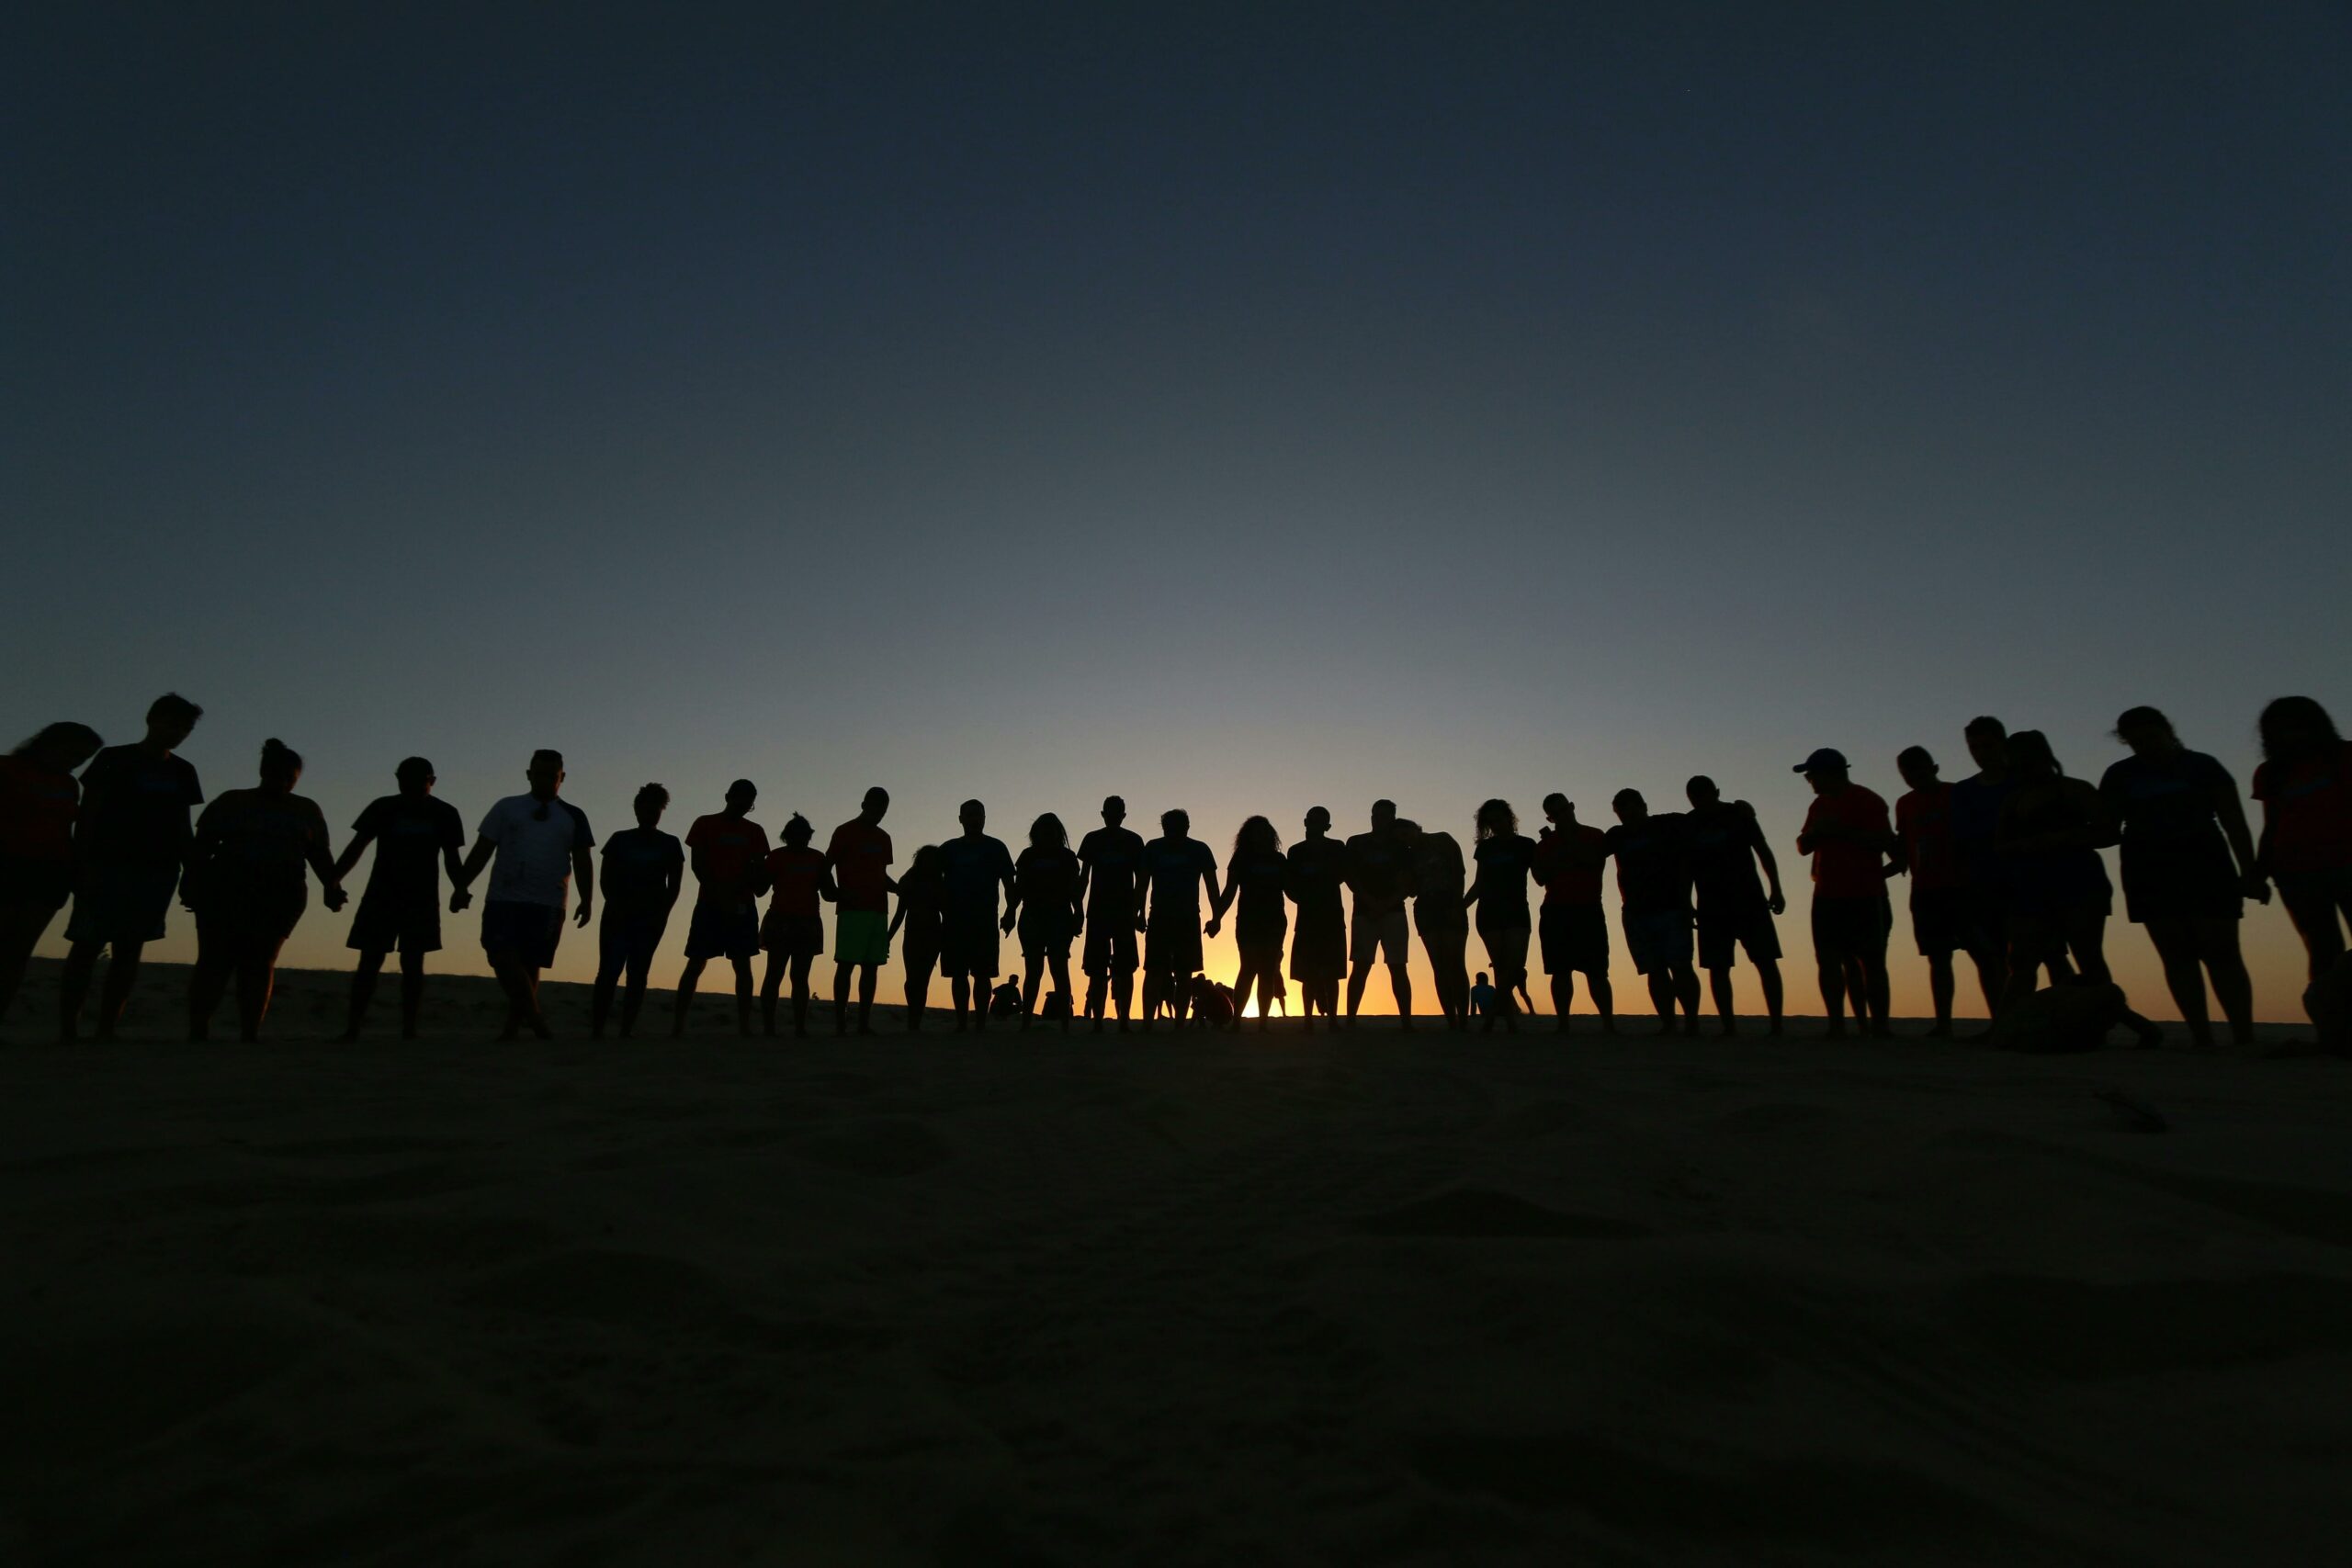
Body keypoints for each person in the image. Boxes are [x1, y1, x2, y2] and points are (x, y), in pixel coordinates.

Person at [2099, 708, 2264, 1051]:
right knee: (2176, 955)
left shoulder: (2203, 766)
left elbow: (2234, 821)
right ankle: (2202, 1037)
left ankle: (2243, 1036)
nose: (2145, 746)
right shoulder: (2119, 775)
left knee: (2222, 952)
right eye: (2136, 740)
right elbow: (2107, 828)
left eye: (2150, 737)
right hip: (2148, 867)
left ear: (2167, 730)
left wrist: (2250, 871)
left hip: (2205, 862)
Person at [59, 693, 203, 1041]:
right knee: (86, 945)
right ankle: (68, 1028)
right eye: (173, 723)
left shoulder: (183, 771)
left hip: (157, 870)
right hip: (106, 865)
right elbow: (88, 814)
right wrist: (81, 863)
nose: (178, 732)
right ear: (152, 719)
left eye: (185, 728)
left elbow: (183, 826)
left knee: (129, 950)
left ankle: (107, 1028)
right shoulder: (115, 758)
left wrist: (192, 872)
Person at [184, 739, 345, 1041]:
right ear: (262, 771)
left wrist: (332, 887)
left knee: (260, 962)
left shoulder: (306, 809)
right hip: (226, 888)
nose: (281, 782)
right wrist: (190, 882)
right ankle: (198, 1030)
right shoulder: (232, 801)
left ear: (296, 777)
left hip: (281, 892)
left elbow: (319, 854)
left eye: (289, 777)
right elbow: (202, 847)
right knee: (214, 959)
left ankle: (249, 1032)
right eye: (275, 774)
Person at [454, 749, 594, 1041]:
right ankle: (538, 1022)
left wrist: (587, 899)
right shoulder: (507, 808)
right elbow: (482, 850)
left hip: (548, 902)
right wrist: (462, 884)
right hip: (504, 898)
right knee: (501, 956)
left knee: (530, 965)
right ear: (529, 774)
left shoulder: (573, 816)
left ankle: (512, 1030)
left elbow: (582, 859)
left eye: (552, 776)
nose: (545, 780)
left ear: (562, 778)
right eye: (539, 774)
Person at [1994, 731, 2130, 1016]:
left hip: (2079, 882)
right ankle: (2007, 1025)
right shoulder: (2014, 800)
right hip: (2030, 886)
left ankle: (2099, 1021)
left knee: (2088, 957)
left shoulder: (2076, 790)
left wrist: (2060, 839)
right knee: (2022, 960)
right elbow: (2000, 846)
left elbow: (2108, 832)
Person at [332, 757, 466, 1041]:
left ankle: (409, 1029)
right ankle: (353, 1027)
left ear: (432, 781)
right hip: (382, 893)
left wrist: (460, 888)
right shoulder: (383, 807)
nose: (413, 787)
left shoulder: (444, 813)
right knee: (369, 960)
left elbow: (452, 858)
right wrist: (333, 879)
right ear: (398, 780)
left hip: (421, 897)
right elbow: (357, 846)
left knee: (413, 963)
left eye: (419, 781)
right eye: (406, 781)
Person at [1891, 747, 2000, 1036]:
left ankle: (2000, 1020)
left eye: (1919, 771)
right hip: (1926, 889)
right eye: (1907, 774)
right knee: (1938, 957)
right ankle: (1944, 1023)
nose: (1914, 778)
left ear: (1934, 768)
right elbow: (1904, 842)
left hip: (1964, 887)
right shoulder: (1905, 804)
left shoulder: (1958, 794)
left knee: (1984, 955)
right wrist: (1890, 866)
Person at [0, 722, 103, 1031]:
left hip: (49, 872)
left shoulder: (69, 785)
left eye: (82, 758)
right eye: (71, 752)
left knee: (18, 952)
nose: (73, 761)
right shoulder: (7, 769)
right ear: (48, 743)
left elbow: (67, 829)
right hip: (7, 865)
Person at [2252, 696, 2352, 1010]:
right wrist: (2258, 873)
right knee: (2322, 948)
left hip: (2348, 863)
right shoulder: (2271, 773)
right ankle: (2332, 1022)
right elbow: (2272, 826)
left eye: (2297, 727)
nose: (2291, 735)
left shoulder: (2346, 756)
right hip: (2296, 871)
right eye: (2280, 730)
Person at [1792, 748, 1896, 1038]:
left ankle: (1879, 1026)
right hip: (1826, 893)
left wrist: (1841, 831)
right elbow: (1803, 846)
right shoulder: (1819, 806)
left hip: (1865, 893)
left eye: (1812, 775)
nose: (1810, 781)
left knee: (1871, 961)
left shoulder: (1868, 801)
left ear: (1831, 774)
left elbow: (1882, 842)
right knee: (1828, 960)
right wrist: (1815, 835)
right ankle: (1837, 1024)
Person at [1683, 776, 1787, 1036]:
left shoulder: (1738, 815)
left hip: (1748, 899)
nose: (1700, 800)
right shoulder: (1689, 824)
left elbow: (1763, 850)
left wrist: (1775, 887)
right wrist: (1687, 901)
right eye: (1694, 796)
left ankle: (1777, 1025)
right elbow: (1685, 868)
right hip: (1711, 904)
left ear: (1716, 792)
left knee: (1765, 961)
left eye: (1703, 794)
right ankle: (1728, 1026)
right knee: (1718, 967)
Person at [673, 780, 770, 1037]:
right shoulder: (705, 824)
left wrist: (753, 880)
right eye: (739, 798)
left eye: (748, 801)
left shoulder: (755, 831)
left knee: (742, 965)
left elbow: (759, 872)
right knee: (696, 963)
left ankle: (744, 1027)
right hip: (710, 904)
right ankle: (678, 1025)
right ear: (727, 796)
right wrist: (720, 894)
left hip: (742, 906)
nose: (742, 804)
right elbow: (698, 866)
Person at [592, 784, 684, 1038]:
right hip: (617, 915)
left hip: (650, 918)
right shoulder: (619, 840)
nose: (650, 813)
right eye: (645, 807)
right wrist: (616, 905)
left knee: (638, 972)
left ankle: (625, 1030)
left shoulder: (670, 844)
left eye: (655, 808)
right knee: (609, 971)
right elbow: (605, 878)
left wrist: (662, 913)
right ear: (636, 809)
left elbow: (674, 885)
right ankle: (597, 1029)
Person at [1606, 789, 1700, 1033]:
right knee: (1654, 970)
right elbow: (1589, 850)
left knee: (1681, 966)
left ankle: (1691, 1021)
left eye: (1630, 808)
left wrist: (1738, 808)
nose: (1627, 815)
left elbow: (1701, 816)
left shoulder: (1667, 824)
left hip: (1671, 907)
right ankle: (1668, 1023)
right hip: (1636, 911)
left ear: (1643, 806)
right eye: (1621, 811)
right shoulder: (1617, 835)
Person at [1947, 716, 2017, 1003]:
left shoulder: (2022, 784)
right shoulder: (1964, 791)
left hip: (2027, 882)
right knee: (1988, 957)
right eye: (1974, 747)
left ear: (2003, 744)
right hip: (1980, 885)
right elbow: (1959, 841)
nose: (1981, 753)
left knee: (2045, 955)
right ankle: (2000, 1020)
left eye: (1987, 746)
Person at [1531, 795, 1613, 1034]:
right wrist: (1563, 854)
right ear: (1550, 817)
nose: (1562, 816)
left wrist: (1564, 850)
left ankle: (1608, 1024)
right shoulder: (1545, 844)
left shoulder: (1594, 835)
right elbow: (1540, 877)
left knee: (1597, 971)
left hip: (1588, 908)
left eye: (1563, 810)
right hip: (1556, 909)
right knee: (1559, 970)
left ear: (1572, 807)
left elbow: (1594, 862)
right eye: (1556, 814)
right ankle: (1563, 1024)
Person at [1136, 807, 1222, 1032]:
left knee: (1184, 973)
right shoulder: (1153, 848)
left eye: (1177, 827)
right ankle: (1147, 1023)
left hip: (1188, 918)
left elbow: (1212, 886)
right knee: (1154, 971)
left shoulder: (1199, 849)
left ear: (1186, 827)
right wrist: (1139, 913)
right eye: (1169, 828)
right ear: (1164, 828)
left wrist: (1217, 917)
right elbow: (1142, 884)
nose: (1173, 832)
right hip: (1160, 917)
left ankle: (1179, 1025)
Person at [938, 800, 1017, 1032]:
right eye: (970, 815)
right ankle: (962, 1023)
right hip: (954, 921)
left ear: (985, 818)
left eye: (979, 815)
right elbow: (931, 877)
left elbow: (1009, 883)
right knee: (958, 974)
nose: (975, 819)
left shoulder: (996, 847)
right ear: (961, 818)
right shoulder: (948, 849)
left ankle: (980, 1025)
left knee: (983, 975)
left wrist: (1011, 912)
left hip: (985, 921)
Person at [824, 786, 895, 1036]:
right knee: (845, 964)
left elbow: (881, 874)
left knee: (871, 966)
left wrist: (899, 889)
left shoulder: (884, 838)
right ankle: (840, 1024)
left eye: (883, 809)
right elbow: (827, 864)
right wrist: (832, 891)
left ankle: (863, 1022)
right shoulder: (844, 832)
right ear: (864, 804)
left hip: (878, 909)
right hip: (852, 909)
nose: (878, 812)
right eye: (875, 806)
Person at [1463, 798, 1537, 1033]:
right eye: (1490, 821)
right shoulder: (1485, 848)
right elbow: (1480, 883)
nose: (1495, 825)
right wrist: (1461, 906)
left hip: (1516, 910)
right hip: (1489, 911)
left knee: (1515, 966)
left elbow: (1539, 875)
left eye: (1499, 819)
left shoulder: (1526, 844)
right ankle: (1510, 1021)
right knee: (1500, 966)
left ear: (1509, 817)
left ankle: (1492, 1015)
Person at [1207, 814, 1288, 1031]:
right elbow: (1230, 891)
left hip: (1275, 921)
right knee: (1248, 969)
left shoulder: (1279, 860)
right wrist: (1216, 918)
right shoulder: (1241, 859)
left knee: (1268, 970)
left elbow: (1291, 889)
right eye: (1256, 832)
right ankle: (1237, 1021)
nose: (1261, 836)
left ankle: (1263, 1022)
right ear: (1248, 836)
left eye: (1264, 831)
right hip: (1248, 921)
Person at [757, 813, 832, 1038]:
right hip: (781, 920)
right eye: (795, 836)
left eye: (804, 836)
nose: (800, 840)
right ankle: (770, 1027)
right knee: (775, 974)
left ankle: (799, 1027)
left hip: (806, 921)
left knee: (799, 977)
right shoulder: (776, 857)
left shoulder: (818, 859)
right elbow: (760, 888)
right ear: (787, 837)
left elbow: (829, 893)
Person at [1075, 796, 1145, 1032]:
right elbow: (1083, 878)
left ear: (1123, 815)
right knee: (1096, 970)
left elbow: (1142, 880)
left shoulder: (1134, 841)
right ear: (1103, 814)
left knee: (1126, 969)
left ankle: (1123, 1020)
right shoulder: (1093, 839)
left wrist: (1139, 912)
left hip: (1124, 913)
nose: (1113, 816)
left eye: (1117, 813)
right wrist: (1078, 910)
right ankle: (1097, 1021)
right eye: (1110, 812)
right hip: (1098, 913)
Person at [1344, 800, 1417, 1026]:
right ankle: (1351, 1018)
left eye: (1384, 816)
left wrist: (1386, 904)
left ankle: (1406, 1020)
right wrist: (1370, 901)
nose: (1379, 819)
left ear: (1392, 819)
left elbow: (1407, 881)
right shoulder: (1356, 843)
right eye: (1376, 815)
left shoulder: (1401, 847)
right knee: (1361, 966)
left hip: (1393, 911)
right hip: (1364, 912)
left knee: (1398, 967)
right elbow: (1350, 876)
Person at [1006, 812, 1081, 1031]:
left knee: (1059, 969)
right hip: (1032, 916)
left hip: (1059, 916)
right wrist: (1010, 911)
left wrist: (1079, 913)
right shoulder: (1028, 856)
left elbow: (1074, 889)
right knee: (1033, 970)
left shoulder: (1067, 857)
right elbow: (1018, 889)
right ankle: (1027, 1021)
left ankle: (1065, 1022)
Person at [1397, 817, 1471, 1029]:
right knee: (1438, 966)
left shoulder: (1443, 840)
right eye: (1401, 838)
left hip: (1450, 902)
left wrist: (1458, 904)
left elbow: (1459, 872)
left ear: (1414, 828)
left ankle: (1463, 1019)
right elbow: (1411, 890)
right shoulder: (1408, 856)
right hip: (1426, 907)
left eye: (1406, 833)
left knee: (1456, 962)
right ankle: (1451, 1020)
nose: (1405, 839)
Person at [1285, 807, 1349, 1028]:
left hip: (1331, 918)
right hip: (1307, 919)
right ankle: (1308, 1019)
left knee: (1332, 973)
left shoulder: (1337, 847)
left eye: (1318, 822)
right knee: (1307, 974)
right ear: (1305, 822)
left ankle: (1332, 1018)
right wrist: (1304, 899)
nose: (1313, 825)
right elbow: (1289, 885)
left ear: (1327, 826)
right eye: (1311, 821)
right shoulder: (1295, 852)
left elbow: (1343, 874)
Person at [886, 844, 944, 1032]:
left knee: (922, 979)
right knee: (913, 979)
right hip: (913, 933)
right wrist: (888, 937)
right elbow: (900, 912)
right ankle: (914, 1016)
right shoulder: (910, 880)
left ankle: (915, 1019)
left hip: (933, 934)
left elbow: (946, 912)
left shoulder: (939, 882)